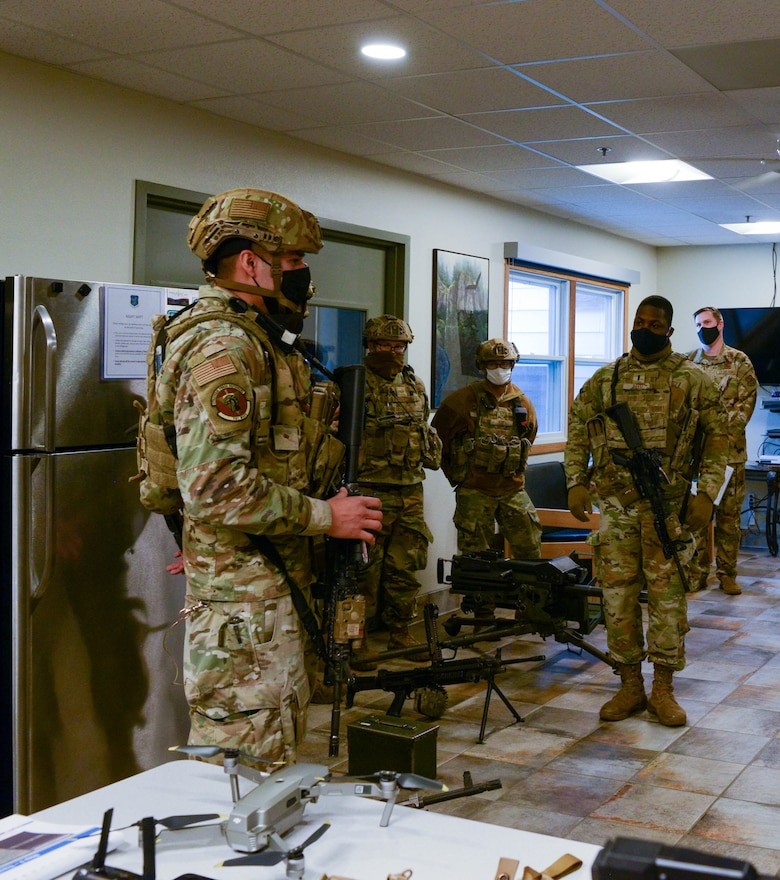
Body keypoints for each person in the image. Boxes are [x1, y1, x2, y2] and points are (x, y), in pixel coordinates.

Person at [136, 187, 382, 765]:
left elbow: (204, 474)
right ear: (252, 262)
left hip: (267, 580)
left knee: (271, 755)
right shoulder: (224, 344)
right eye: (294, 262)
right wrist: (329, 517)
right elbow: (218, 487)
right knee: (244, 771)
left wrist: (199, 533)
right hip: (249, 607)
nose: (302, 275)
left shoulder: (260, 338)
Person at [563, 296, 729, 726]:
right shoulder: (606, 378)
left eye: (655, 324)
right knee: (616, 598)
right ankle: (630, 685)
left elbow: (717, 440)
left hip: (669, 508)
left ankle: (664, 689)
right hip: (617, 508)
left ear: (670, 331)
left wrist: (707, 494)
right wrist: (576, 482)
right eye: (639, 321)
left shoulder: (693, 379)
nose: (644, 328)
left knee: (667, 601)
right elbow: (579, 428)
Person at [355, 315, 442, 651]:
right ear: (370, 345)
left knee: (405, 565)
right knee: (364, 568)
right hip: (369, 489)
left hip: (409, 489)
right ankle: (354, 636)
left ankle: (400, 631)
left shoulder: (415, 385)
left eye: (398, 346)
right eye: (383, 345)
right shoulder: (354, 383)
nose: (392, 352)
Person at [431, 338, 542, 560]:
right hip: (475, 491)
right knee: (476, 558)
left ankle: (525, 594)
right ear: (481, 367)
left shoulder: (523, 403)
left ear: (513, 365)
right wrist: (459, 475)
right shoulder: (460, 401)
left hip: (512, 489)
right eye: (493, 364)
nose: (500, 369)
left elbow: (528, 439)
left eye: (505, 364)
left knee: (530, 548)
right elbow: (436, 442)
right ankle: (478, 596)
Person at [687, 306, 758, 595]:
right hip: (697, 457)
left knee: (729, 518)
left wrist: (718, 434)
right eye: (698, 324)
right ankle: (697, 572)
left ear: (720, 324)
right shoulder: (688, 361)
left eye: (707, 322)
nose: (703, 328)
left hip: (730, 454)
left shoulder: (739, 361)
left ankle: (727, 574)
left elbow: (746, 404)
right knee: (698, 516)